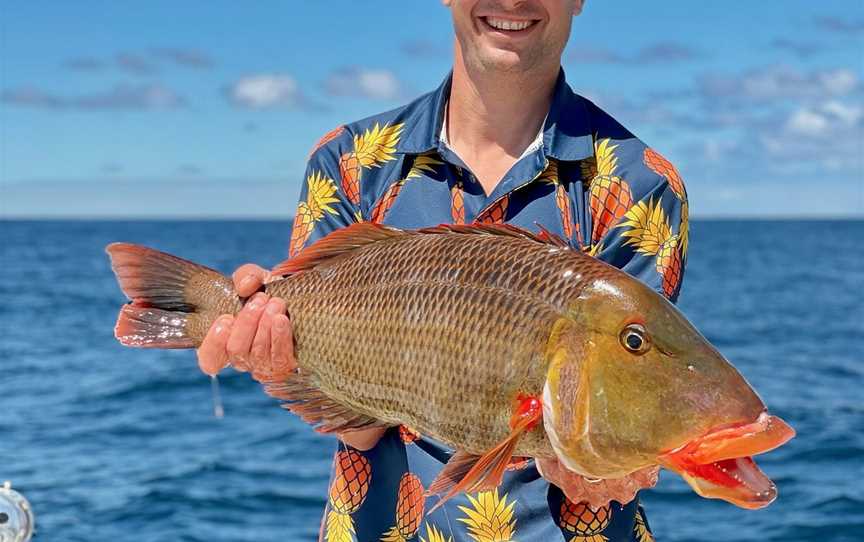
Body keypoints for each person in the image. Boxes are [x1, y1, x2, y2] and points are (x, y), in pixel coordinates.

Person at [197, 1, 688, 540]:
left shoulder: (640, 186)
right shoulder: (349, 163)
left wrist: (609, 466)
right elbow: (360, 430)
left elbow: (633, 397)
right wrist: (274, 353)